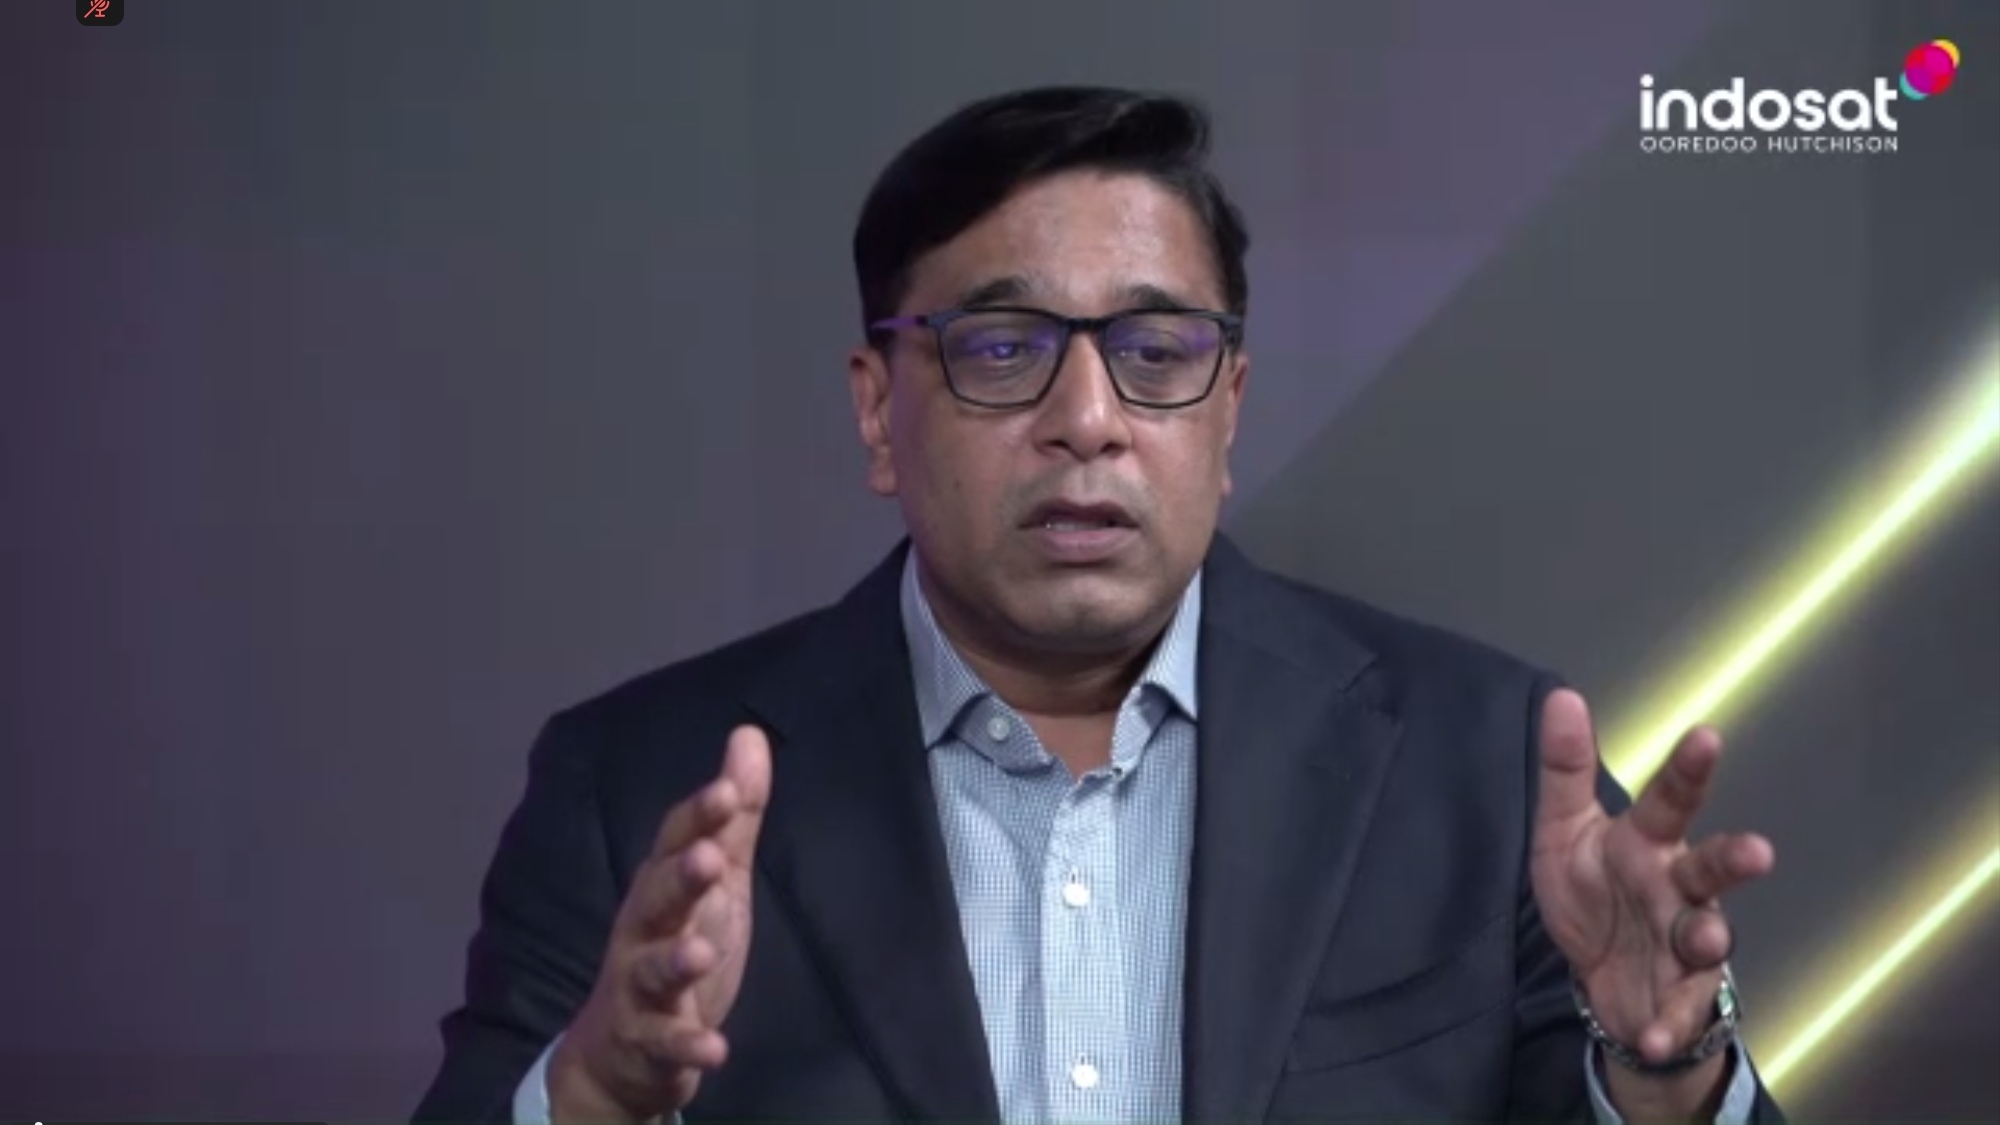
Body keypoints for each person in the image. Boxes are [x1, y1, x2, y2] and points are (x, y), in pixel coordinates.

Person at [412, 86, 1784, 1123]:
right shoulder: (635, 792)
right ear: (879, 411)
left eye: (1155, 350)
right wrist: (589, 1100)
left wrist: (1662, 1072)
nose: (1088, 418)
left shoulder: (1480, 763)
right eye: (1004, 347)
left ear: (1227, 408)